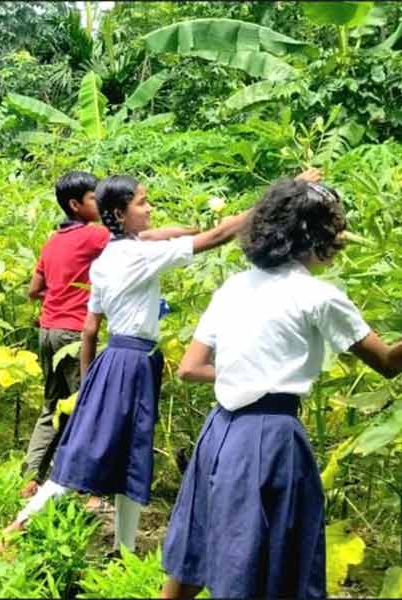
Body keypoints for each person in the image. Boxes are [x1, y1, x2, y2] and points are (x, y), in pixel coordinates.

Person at [161, 178, 402, 599]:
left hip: (218, 434)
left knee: (196, 554)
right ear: (316, 235)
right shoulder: (318, 297)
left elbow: (191, 367)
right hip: (271, 440)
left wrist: (247, 373)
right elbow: (387, 364)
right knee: (266, 567)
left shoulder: (235, 286)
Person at [0, 173, 258, 555]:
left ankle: (124, 550)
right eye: (141, 202)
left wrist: (88, 386)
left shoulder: (106, 260)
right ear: (119, 214)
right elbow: (217, 238)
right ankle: (19, 525)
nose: (149, 208)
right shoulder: (139, 256)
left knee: (126, 455)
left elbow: (90, 331)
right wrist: (274, 201)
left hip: (112, 361)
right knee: (98, 453)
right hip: (133, 363)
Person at [20, 171, 110, 500]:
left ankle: (31, 477)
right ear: (75, 204)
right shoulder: (94, 236)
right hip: (74, 334)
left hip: (47, 331)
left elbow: (34, 290)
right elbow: (134, 244)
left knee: (52, 405)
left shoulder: (53, 240)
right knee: (85, 406)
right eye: (93, 198)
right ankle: (83, 487)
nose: (100, 203)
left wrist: (58, 291)